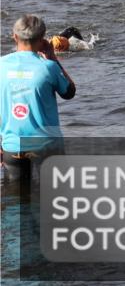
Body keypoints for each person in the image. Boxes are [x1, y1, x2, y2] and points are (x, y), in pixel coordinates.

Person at [1, 15, 76, 187]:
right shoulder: (48, 67)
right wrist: (52, 57)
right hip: (46, 145)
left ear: (14, 36)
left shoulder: (1, 65)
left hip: (12, 145)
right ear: (42, 39)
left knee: (15, 202)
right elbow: (69, 92)